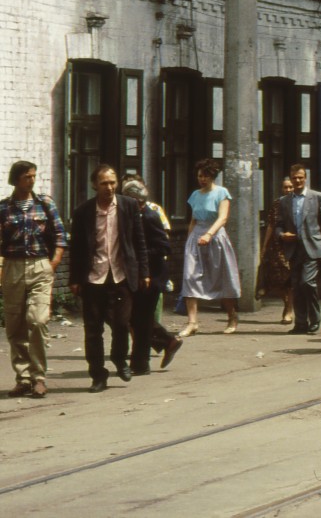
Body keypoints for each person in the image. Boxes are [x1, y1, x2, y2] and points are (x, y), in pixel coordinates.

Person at [69, 164, 149, 392]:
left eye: (113, 182)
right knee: (93, 329)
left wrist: (144, 272)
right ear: (95, 185)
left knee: (122, 324)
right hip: (94, 277)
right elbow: (76, 248)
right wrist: (75, 278)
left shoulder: (129, 206)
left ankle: (119, 358)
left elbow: (139, 241)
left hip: (121, 275)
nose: (109, 187)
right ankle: (98, 375)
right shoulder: (83, 211)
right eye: (104, 183)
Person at [2, 160, 67, 398]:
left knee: (37, 320)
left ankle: (39, 377)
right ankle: (23, 379)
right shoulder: (4, 208)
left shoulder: (44, 204)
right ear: (16, 179)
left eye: (33, 176)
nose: (31, 180)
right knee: (15, 325)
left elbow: (60, 234)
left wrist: (53, 263)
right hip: (12, 266)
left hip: (40, 265)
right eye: (27, 177)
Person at [123, 177, 182, 374]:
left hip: (153, 275)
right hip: (137, 275)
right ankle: (168, 341)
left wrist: (141, 255)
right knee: (135, 318)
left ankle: (140, 365)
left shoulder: (149, 217)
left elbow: (164, 247)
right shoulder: (131, 217)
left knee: (141, 320)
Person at [276, 162, 321, 335]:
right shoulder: (284, 201)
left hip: (313, 246)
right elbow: (279, 224)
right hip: (294, 248)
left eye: (300, 178)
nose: (297, 181)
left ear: (306, 178)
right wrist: (282, 235)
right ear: (291, 178)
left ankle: (315, 319)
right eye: (294, 178)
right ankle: (301, 323)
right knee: (296, 286)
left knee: (308, 283)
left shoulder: (317, 197)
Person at [180, 158, 241, 335]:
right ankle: (192, 322)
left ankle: (231, 315)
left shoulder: (222, 193)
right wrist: (189, 241)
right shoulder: (195, 195)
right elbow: (193, 220)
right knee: (190, 277)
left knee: (222, 276)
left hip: (216, 237)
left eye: (206, 176)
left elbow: (222, 218)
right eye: (200, 176)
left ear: (212, 176)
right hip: (196, 238)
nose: (202, 179)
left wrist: (209, 234)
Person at [257, 176, 295, 323]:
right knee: (277, 279)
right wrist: (264, 246)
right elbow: (271, 226)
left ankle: (289, 309)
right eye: (286, 187)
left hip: (292, 243)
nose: (288, 190)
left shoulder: (297, 203)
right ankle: (286, 302)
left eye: (290, 187)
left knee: (289, 276)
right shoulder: (277, 203)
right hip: (277, 244)